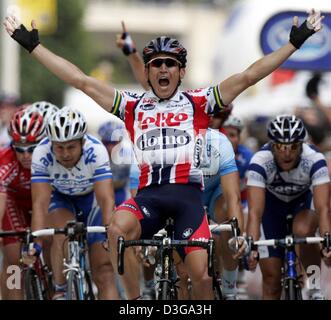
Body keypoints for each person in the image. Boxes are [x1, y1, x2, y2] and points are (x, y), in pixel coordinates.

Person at [3, 8, 324, 299]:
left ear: (181, 72)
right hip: (148, 199)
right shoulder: (131, 105)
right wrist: (32, 46)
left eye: (170, 63)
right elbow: (81, 81)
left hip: (187, 199)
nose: (163, 68)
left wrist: (294, 43)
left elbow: (248, 76)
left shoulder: (198, 102)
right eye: (157, 64)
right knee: (116, 228)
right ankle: (136, 295)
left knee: (200, 277)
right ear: (149, 72)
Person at [29, 106, 118, 300]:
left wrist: (108, 234)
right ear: (51, 144)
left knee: (104, 271)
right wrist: (35, 241)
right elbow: (40, 203)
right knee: (62, 233)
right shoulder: (41, 153)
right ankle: (60, 290)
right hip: (62, 199)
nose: (65, 154)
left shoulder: (96, 151)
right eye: (59, 147)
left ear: (82, 142)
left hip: (91, 200)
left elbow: (106, 198)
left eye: (71, 147)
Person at [246, 115, 331, 300]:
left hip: (302, 205)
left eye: (293, 147)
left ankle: (315, 287)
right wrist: (251, 247)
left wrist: (327, 241)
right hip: (271, 209)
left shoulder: (315, 159)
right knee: (271, 280)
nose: (287, 153)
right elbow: (254, 212)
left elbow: (323, 208)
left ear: (302, 145)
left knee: (302, 230)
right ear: (271, 146)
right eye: (280, 147)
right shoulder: (260, 161)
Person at [0, 106, 46, 299]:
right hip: (14, 204)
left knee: (51, 242)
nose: (26, 155)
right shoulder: (5, 161)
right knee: (13, 262)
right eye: (19, 149)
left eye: (31, 149)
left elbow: (42, 205)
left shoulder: (51, 157)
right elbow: (1, 200)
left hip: (44, 203)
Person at [97, 121, 140, 205]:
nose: (110, 147)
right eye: (106, 143)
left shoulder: (129, 153)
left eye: (114, 143)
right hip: (102, 190)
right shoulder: (96, 154)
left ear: (120, 141)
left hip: (123, 189)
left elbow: (135, 181)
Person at [222, 115, 253, 214]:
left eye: (232, 135)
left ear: (239, 139)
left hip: (242, 202)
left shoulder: (248, 157)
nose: (227, 140)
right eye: (223, 135)